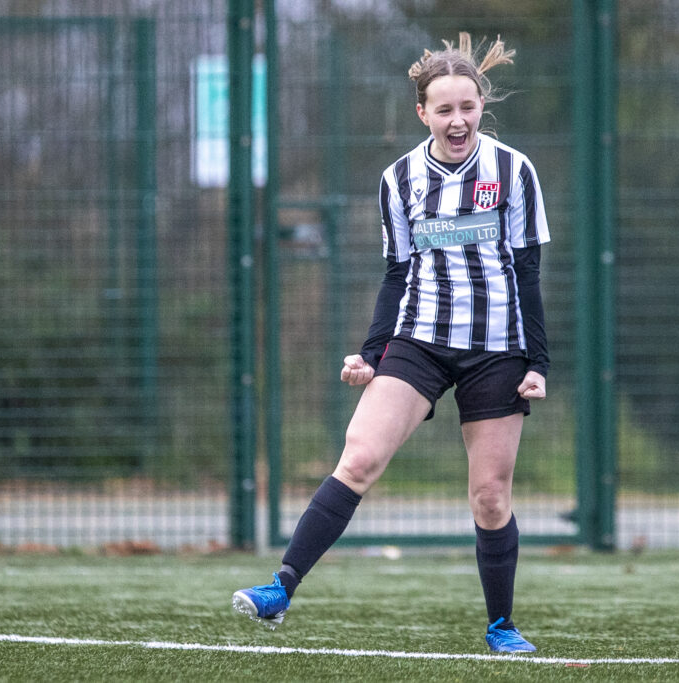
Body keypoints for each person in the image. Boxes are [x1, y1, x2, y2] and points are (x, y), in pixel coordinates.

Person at [232, 32, 550, 654]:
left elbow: (529, 272)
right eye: (444, 109)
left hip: (497, 348)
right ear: (422, 113)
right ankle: (281, 588)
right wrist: (370, 352)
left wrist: (538, 362)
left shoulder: (514, 170)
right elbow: (396, 274)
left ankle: (501, 626)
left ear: (481, 106)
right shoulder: (399, 178)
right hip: (420, 341)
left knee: (490, 496)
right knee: (358, 457)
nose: (458, 120)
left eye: (468, 107)